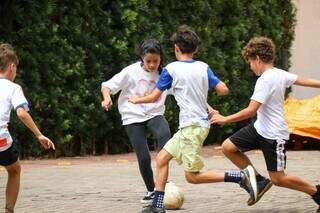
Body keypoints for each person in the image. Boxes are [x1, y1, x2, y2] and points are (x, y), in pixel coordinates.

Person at [128, 25, 258, 213]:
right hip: (192, 127)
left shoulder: (171, 69)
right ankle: (157, 207)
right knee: (162, 159)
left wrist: (136, 99)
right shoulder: (203, 67)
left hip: (192, 127)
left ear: (176, 48)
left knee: (193, 177)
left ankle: (240, 177)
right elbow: (224, 90)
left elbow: (154, 96)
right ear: (195, 49)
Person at [211, 36, 320, 211]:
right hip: (259, 128)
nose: (250, 67)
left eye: (250, 62)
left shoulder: (265, 80)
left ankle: (316, 192)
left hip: (273, 136)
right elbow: (304, 80)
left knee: (278, 179)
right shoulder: (280, 73)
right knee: (228, 147)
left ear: (258, 59)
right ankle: (258, 181)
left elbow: (250, 110)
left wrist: (225, 119)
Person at [101, 38, 171, 204]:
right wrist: (106, 98)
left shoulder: (165, 74)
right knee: (144, 157)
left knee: (165, 134)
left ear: (161, 58)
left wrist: (208, 108)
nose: (152, 65)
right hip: (132, 115)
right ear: (142, 58)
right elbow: (107, 85)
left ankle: (162, 178)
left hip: (154, 113)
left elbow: (186, 90)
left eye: (156, 61)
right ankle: (151, 190)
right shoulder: (131, 71)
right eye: (148, 61)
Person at [0, 43, 55, 213]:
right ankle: (9, 210)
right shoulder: (13, 88)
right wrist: (39, 134)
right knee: (14, 169)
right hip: (1, 140)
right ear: (12, 67)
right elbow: (22, 113)